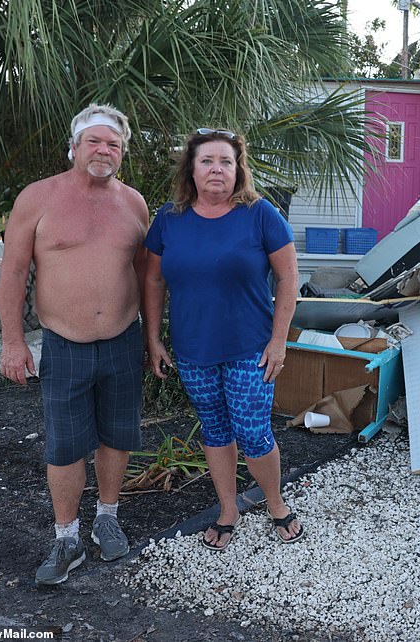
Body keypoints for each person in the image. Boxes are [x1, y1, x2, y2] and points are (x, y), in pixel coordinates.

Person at [0, 103, 149, 585]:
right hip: (65, 343)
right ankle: (67, 538)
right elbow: (14, 272)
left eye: (113, 144)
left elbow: (147, 275)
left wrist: (151, 338)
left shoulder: (134, 204)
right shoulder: (38, 199)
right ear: (75, 145)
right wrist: (13, 342)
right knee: (64, 447)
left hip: (123, 341)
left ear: (121, 152)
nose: (104, 150)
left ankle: (107, 517)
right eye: (95, 141)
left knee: (118, 435)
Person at [143, 127, 302, 551]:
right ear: (191, 170)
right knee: (215, 430)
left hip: (251, 349)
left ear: (238, 170)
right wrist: (153, 338)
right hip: (193, 350)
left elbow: (288, 278)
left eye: (226, 162)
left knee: (253, 433)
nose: (217, 169)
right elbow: (154, 280)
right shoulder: (168, 219)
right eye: (207, 161)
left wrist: (279, 341)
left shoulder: (260, 213)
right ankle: (228, 509)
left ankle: (275, 503)